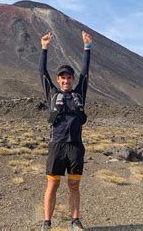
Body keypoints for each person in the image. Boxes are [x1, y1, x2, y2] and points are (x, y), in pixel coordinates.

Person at [39, 30, 92, 230]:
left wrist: (87, 47)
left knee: (74, 186)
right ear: (58, 80)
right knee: (52, 185)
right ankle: (47, 223)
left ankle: (75, 221)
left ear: (72, 79)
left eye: (69, 78)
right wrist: (44, 48)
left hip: (76, 147)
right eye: (62, 78)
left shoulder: (79, 94)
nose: (66, 81)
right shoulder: (52, 94)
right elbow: (42, 73)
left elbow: (85, 73)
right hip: (57, 146)